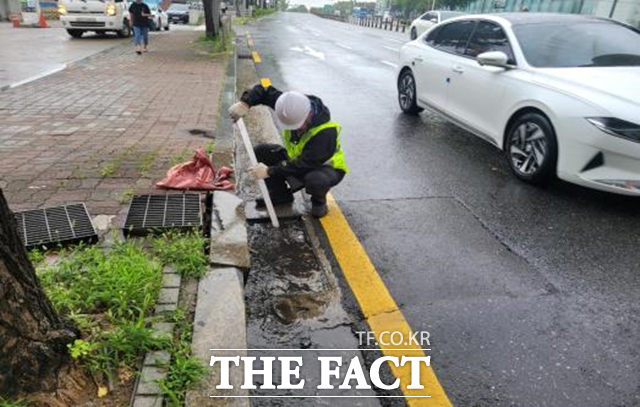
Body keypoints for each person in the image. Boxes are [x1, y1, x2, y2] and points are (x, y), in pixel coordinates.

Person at [228, 84, 349, 218]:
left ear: (308, 114)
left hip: (324, 168)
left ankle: (318, 202)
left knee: (316, 180)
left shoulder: (326, 133)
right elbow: (264, 91)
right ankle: (280, 196)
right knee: (262, 151)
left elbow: (304, 164)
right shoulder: (288, 106)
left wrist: (269, 171)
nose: (296, 129)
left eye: (299, 125)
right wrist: (245, 103)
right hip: (297, 160)